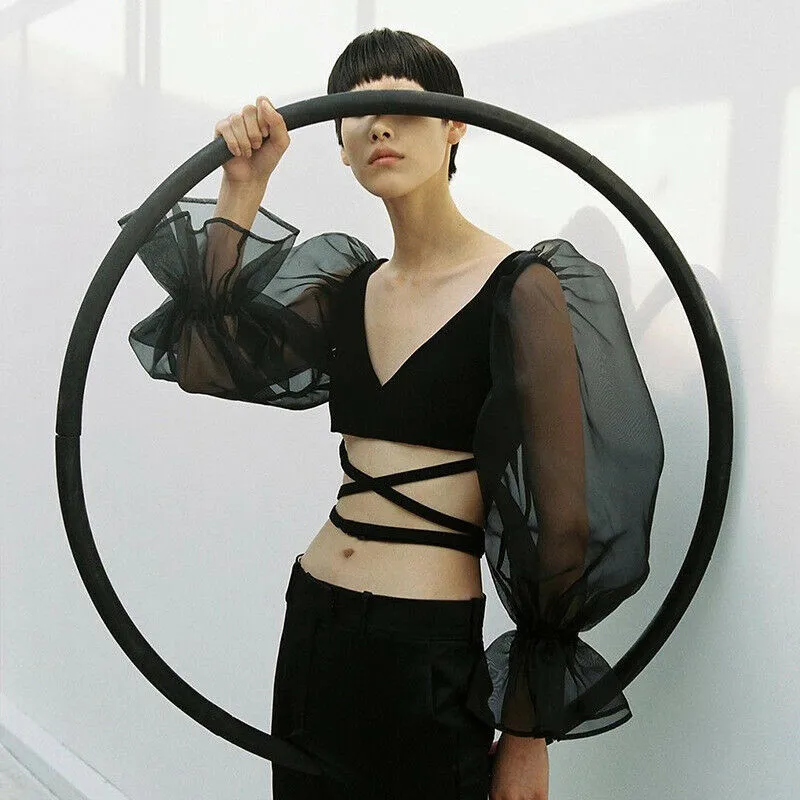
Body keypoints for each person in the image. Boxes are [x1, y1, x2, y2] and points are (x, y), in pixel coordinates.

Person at [119, 27, 664, 800]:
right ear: (340, 147)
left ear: (454, 125)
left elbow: (562, 525)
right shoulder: (348, 286)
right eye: (358, 113)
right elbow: (206, 352)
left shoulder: (522, 290)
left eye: (402, 107)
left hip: (424, 645)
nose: (379, 127)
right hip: (315, 620)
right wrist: (242, 188)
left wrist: (526, 736)